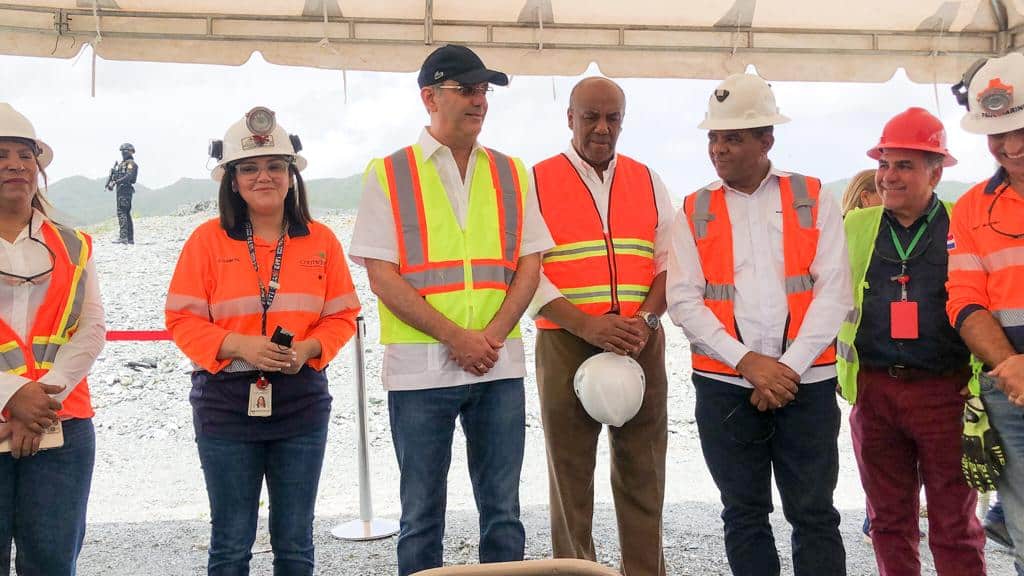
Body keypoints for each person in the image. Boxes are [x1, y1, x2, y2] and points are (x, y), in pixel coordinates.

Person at [349, 44, 551, 575]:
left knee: (503, 514)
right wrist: (457, 337)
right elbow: (381, 276)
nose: (479, 100)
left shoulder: (513, 172)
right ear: (430, 97)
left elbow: (530, 265)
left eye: (484, 90)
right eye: (466, 88)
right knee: (420, 517)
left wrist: (490, 337)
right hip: (420, 372)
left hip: (497, 366)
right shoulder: (387, 173)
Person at [666, 73, 851, 576]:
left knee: (813, 513)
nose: (718, 149)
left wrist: (783, 370)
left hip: (805, 385)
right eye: (713, 137)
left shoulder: (813, 197)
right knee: (744, 513)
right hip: (727, 386)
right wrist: (749, 363)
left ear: (766, 140)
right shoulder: (692, 208)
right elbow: (683, 301)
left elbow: (834, 292)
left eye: (732, 138)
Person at [165, 106, 360, 576]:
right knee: (231, 541)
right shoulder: (206, 242)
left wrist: (309, 351)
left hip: (300, 400)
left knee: (295, 540)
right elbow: (181, 318)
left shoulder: (322, 242)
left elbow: (343, 315)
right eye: (249, 168)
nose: (263, 176)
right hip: (225, 401)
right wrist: (238, 345)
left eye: (275, 166)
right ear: (232, 181)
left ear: (292, 175)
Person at [529, 76, 673, 576]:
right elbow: (527, 273)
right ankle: (575, 570)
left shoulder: (648, 178)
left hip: (640, 339)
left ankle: (646, 571)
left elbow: (668, 262)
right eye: (591, 116)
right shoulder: (536, 180)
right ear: (570, 118)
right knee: (569, 479)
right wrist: (586, 326)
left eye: (613, 117)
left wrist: (647, 320)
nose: (602, 127)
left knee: (645, 471)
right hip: (565, 340)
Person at [837, 107, 985, 575]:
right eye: (884, 164)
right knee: (887, 522)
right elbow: (827, 300)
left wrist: (980, 384)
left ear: (935, 172)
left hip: (946, 393)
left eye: (904, 165)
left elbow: (991, 304)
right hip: (875, 392)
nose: (888, 176)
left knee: (954, 525)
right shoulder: (858, 226)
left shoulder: (964, 224)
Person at [0, 103, 106, 574]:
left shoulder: (72, 244)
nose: (14, 165)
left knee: (51, 562)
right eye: (0, 155)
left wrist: (41, 398)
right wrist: (12, 395)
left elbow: (91, 328)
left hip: (60, 423)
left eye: (25, 155)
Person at [947, 51, 1024, 576]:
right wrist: (1012, 366)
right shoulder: (973, 207)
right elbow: (964, 299)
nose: (1010, 145)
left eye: (1020, 128)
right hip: (1009, 386)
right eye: (996, 133)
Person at [105, 143, 137, 244]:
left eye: (125, 151)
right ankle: (129, 238)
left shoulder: (131, 164)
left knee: (122, 212)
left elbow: (128, 176)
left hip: (125, 190)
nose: (123, 153)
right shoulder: (122, 164)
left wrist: (116, 182)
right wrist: (112, 182)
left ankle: (123, 237)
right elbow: (117, 176)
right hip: (121, 190)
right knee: (125, 213)